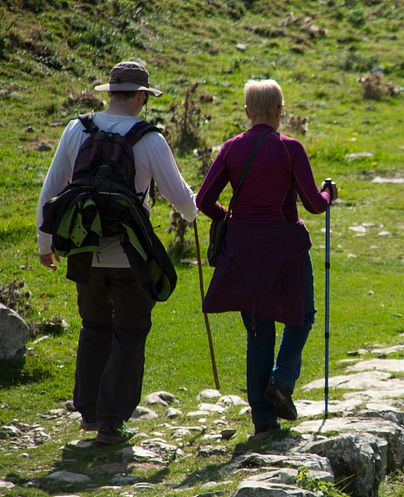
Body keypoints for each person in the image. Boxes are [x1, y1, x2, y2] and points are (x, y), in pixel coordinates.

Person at [36, 61, 198, 444]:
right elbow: (183, 202)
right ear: (142, 96)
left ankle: (89, 413)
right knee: (129, 333)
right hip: (130, 254)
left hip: (83, 250)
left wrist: (46, 245)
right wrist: (194, 210)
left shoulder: (78, 129)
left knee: (94, 328)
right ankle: (112, 422)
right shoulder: (149, 139)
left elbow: (52, 189)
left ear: (109, 93)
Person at [196, 79, 337, 434]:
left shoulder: (231, 149)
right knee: (302, 315)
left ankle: (262, 419)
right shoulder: (291, 149)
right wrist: (328, 193)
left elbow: (203, 201)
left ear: (247, 112)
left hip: (243, 248)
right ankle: (282, 379)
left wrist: (228, 216)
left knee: (258, 330)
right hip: (286, 247)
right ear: (279, 111)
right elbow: (313, 205)